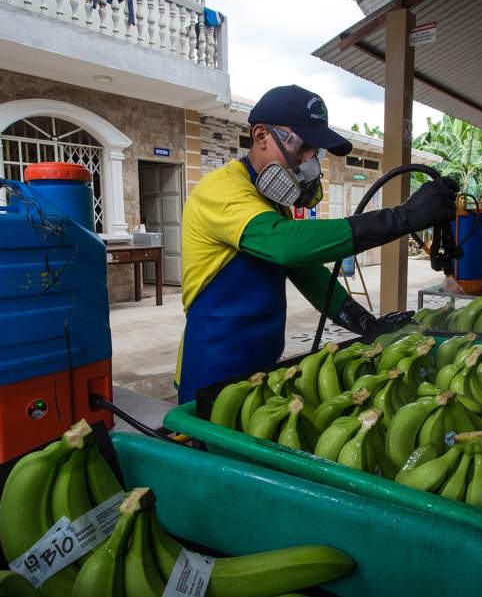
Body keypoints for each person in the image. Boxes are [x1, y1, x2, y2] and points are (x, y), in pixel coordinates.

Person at [176, 85, 458, 403]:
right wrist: (403, 217)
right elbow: (288, 247)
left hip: (262, 363)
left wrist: (364, 322)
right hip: (212, 368)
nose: (309, 161)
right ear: (260, 136)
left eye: (315, 152)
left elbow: (307, 272)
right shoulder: (220, 189)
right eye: (303, 146)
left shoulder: (271, 204)